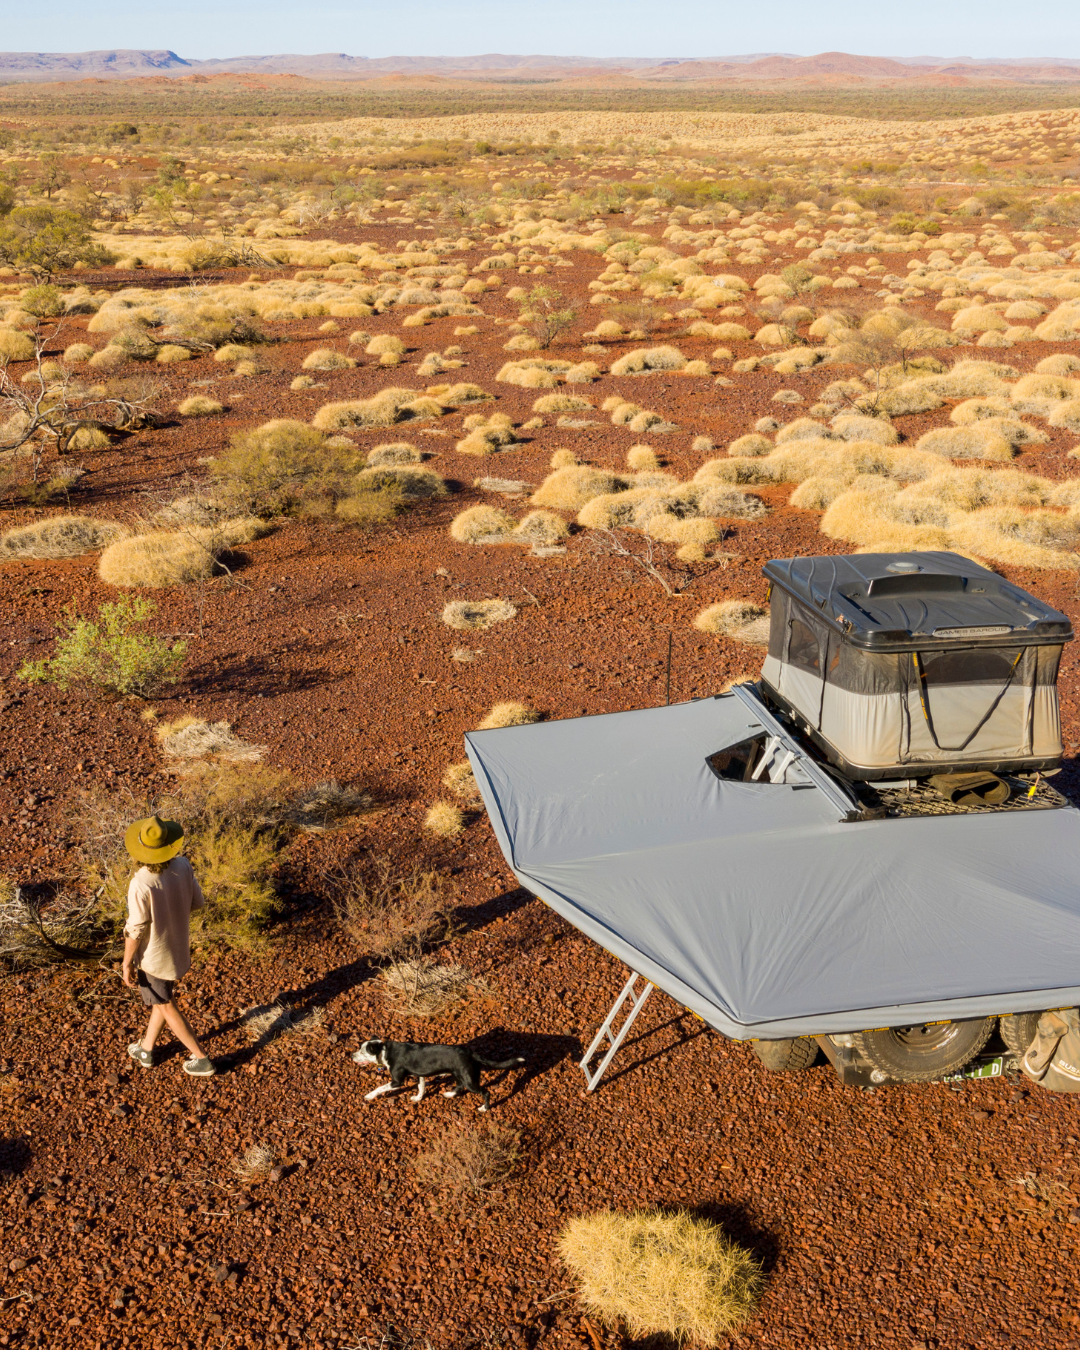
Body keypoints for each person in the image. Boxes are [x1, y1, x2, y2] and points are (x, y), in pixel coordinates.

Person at [121, 814, 215, 1077]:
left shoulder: (141, 882)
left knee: (164, 1003)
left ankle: (202, 1059)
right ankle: (146, 1049)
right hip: (178, 949)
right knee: (162, 998)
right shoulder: (183, 865)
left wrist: (127, 962)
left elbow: (136, 929)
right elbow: (198, 903)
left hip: (154, 957)